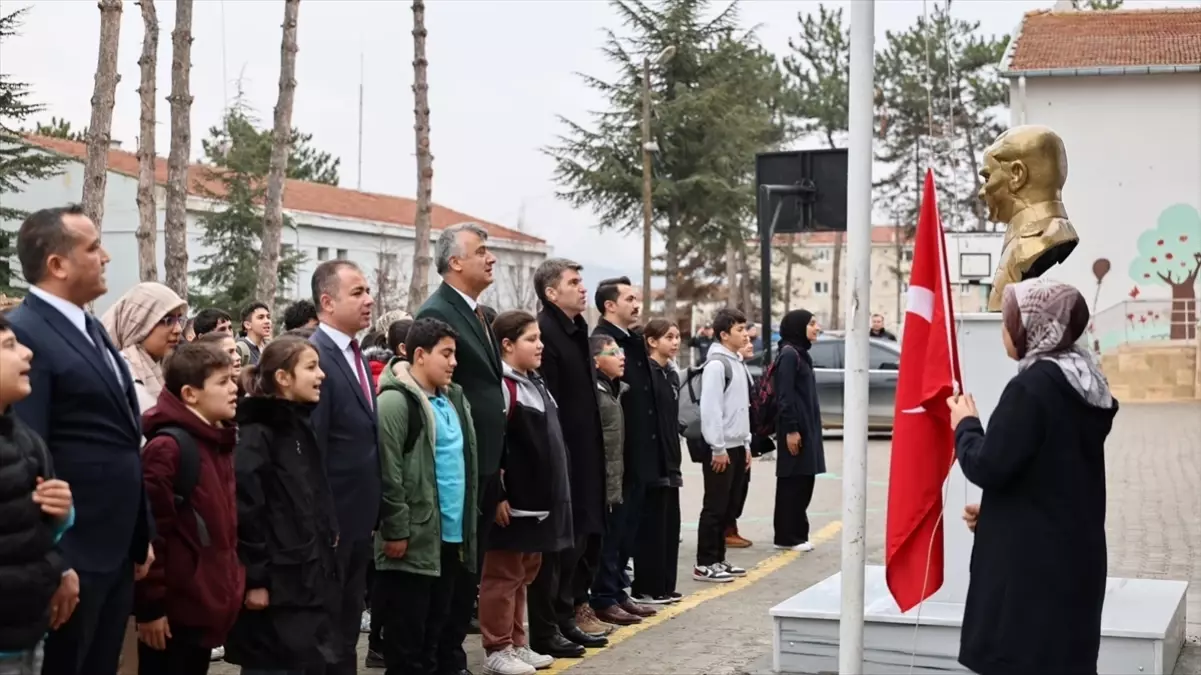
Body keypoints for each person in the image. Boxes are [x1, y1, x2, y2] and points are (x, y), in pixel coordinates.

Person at [9, 205, 155, 675]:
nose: (106, 256)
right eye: (93, 247)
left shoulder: (90, 327)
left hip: (113, 553)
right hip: (73, 557)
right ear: (57, 264)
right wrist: (54, 562)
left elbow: (121, 440)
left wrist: (139, 534)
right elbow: (27, 457)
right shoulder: (27, 334)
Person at [950, 279, 1118, 675]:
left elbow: (988, 466)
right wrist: (996, 514)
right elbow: (1051, 472)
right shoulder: (1084, 380)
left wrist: (966, 425)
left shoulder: (1033, 386)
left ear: (1035, 328)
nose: (1004, 332)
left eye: (1009, 322)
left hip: (1031, 576)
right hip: (1071, 561)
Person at [224, 336, 339, 675]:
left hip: (305, 578)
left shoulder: (299, 425)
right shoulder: (257, 432)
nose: (322, 375)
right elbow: (247, 510)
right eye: (311, 367)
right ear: (284, 378)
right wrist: (256, 580)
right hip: (277, 587)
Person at [415, 223, 506, 646]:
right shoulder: (439, 313)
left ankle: (450, 651)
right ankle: (443, 653)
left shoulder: (474, 312)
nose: (491, 258)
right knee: (455, 568)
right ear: (455, 262)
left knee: (471, 565)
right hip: (459, 462)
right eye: (481, 251)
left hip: (484, 460)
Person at [373, 318, 478, 675]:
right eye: (445, 354)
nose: (453, 362)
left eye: (455, 354)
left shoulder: (452, 399)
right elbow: (390, 472)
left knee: (436, 634)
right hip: (413, 541)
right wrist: (397, 529)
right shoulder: (395, 402)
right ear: (419, 355)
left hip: (448, 538)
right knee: (407, 642)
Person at [135, 342, 242, 675]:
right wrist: (150, 609)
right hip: (173, 615)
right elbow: (152, 536)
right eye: (222, 382)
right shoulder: (168, 448)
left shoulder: (215, 440)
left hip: (202, 606)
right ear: (190, 394)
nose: (234, 389)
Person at [480, 310, 572, 675]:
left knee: (523, 575)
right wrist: (499, 493)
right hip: (512, 504)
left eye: (539, 338)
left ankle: (518, 642)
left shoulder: (535, 382)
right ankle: (496, 648)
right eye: (531, 339)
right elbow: (495, 442)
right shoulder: (503, 386)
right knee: (502, 576)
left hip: (538, 504)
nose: (540, 345)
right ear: (506, 344)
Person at [529, 259, 610, 655]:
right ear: (550, 292)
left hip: (586, 453)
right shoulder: (545, 332)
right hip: (564, 458)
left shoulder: (577, 329)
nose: (582, 288)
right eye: (574, 282)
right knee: (559, 550)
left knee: (579, 543)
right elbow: (551, 405)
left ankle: (568, 616)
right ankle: (551, 626)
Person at [308, 260, 380, 675]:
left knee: (348, 627)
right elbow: (314, 448)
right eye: (357, 292)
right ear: (327, 301)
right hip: (331, 525)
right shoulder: (315, 356)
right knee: (328, 635)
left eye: (368, 290)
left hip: (359, 521)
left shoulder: (354, 353)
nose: (368, 299)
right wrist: (326, 519)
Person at [0, 313, 75, 675]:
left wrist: (62, 514)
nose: (27, 354)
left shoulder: (25, 437)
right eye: (9, 346)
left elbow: (39, 529)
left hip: (28, 636)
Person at [589, 278, 659, 625]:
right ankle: (603, 595)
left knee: (628, 529)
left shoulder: (630, 340)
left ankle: (618, 591)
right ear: (609, 306)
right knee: (613, 531)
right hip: (619, 455)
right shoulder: (602, 343)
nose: (637, 304)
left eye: (638, 298)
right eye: (629, 299)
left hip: (638, 453)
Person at [693, 308, 752, 583]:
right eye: (739, 329)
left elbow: (742, 407)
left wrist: (747, 444)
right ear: (724, 334)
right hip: (722, 448)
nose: (745, 334)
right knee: (715, 506)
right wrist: (718, 447)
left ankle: (719, 559)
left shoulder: (737, 362)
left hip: (737, 445)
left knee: (728, 505)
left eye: (745, 328)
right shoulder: (717, 365)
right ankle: (705, 563)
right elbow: (711, 408)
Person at [633, 318, 683, 605]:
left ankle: (665, 584)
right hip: (652, 461)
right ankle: (647, 586)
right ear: (652, 341)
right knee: (651, 527)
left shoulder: (670, 374)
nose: (675, 342)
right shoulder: (648, 374)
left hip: (671, 458)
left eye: (677, 337)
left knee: (669, 525)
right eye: (668, 337)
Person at [771, 310, 825, 552]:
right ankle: (787, 536)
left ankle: (797, 534)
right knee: (793, 482)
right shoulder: (789, 355)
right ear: (798, 327)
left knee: (804, 480)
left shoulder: (801, 354)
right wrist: (791, 430)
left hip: (807, 428)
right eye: (811, 324)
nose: (817, 327)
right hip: (796, 430)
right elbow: (785, 396)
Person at [101, 282, 188, 412]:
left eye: (179, 320)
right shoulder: (122, 374)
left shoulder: (166, 368)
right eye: (167, 320)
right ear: (139, 324)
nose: (178, 329)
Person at [236, 303, 272, 367]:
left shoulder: (270, 347)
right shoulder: (239, 349)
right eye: (261, 317)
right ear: (247, 325)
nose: (267, 321)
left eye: (268, 317)